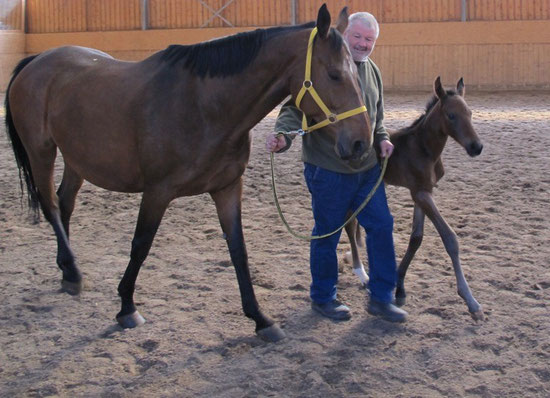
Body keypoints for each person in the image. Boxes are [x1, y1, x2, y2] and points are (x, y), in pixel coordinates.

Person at [266, 12, 407, 323]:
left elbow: (377, 117)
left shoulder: (373, 72)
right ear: (345, 36)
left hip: (368, 168)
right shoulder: (323, 68)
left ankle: (382, 297)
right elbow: (293, 109)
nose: (363, 44)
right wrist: (283, 137)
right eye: (357, 37)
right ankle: (323, 297)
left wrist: (381, 138)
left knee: (382, 226)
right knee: (327, 235)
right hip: (328, 170)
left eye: (369, 40)